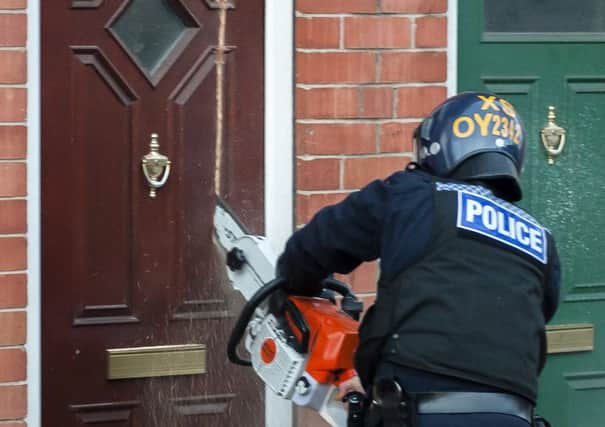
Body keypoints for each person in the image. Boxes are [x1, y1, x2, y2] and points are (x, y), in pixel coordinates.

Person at [276, 92, 560, 427]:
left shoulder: (414, 195)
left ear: (436, 146)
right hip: (512, 415)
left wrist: (296, 285)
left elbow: (317, 245)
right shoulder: (541, 239)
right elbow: (533, 313)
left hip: (414, 409)